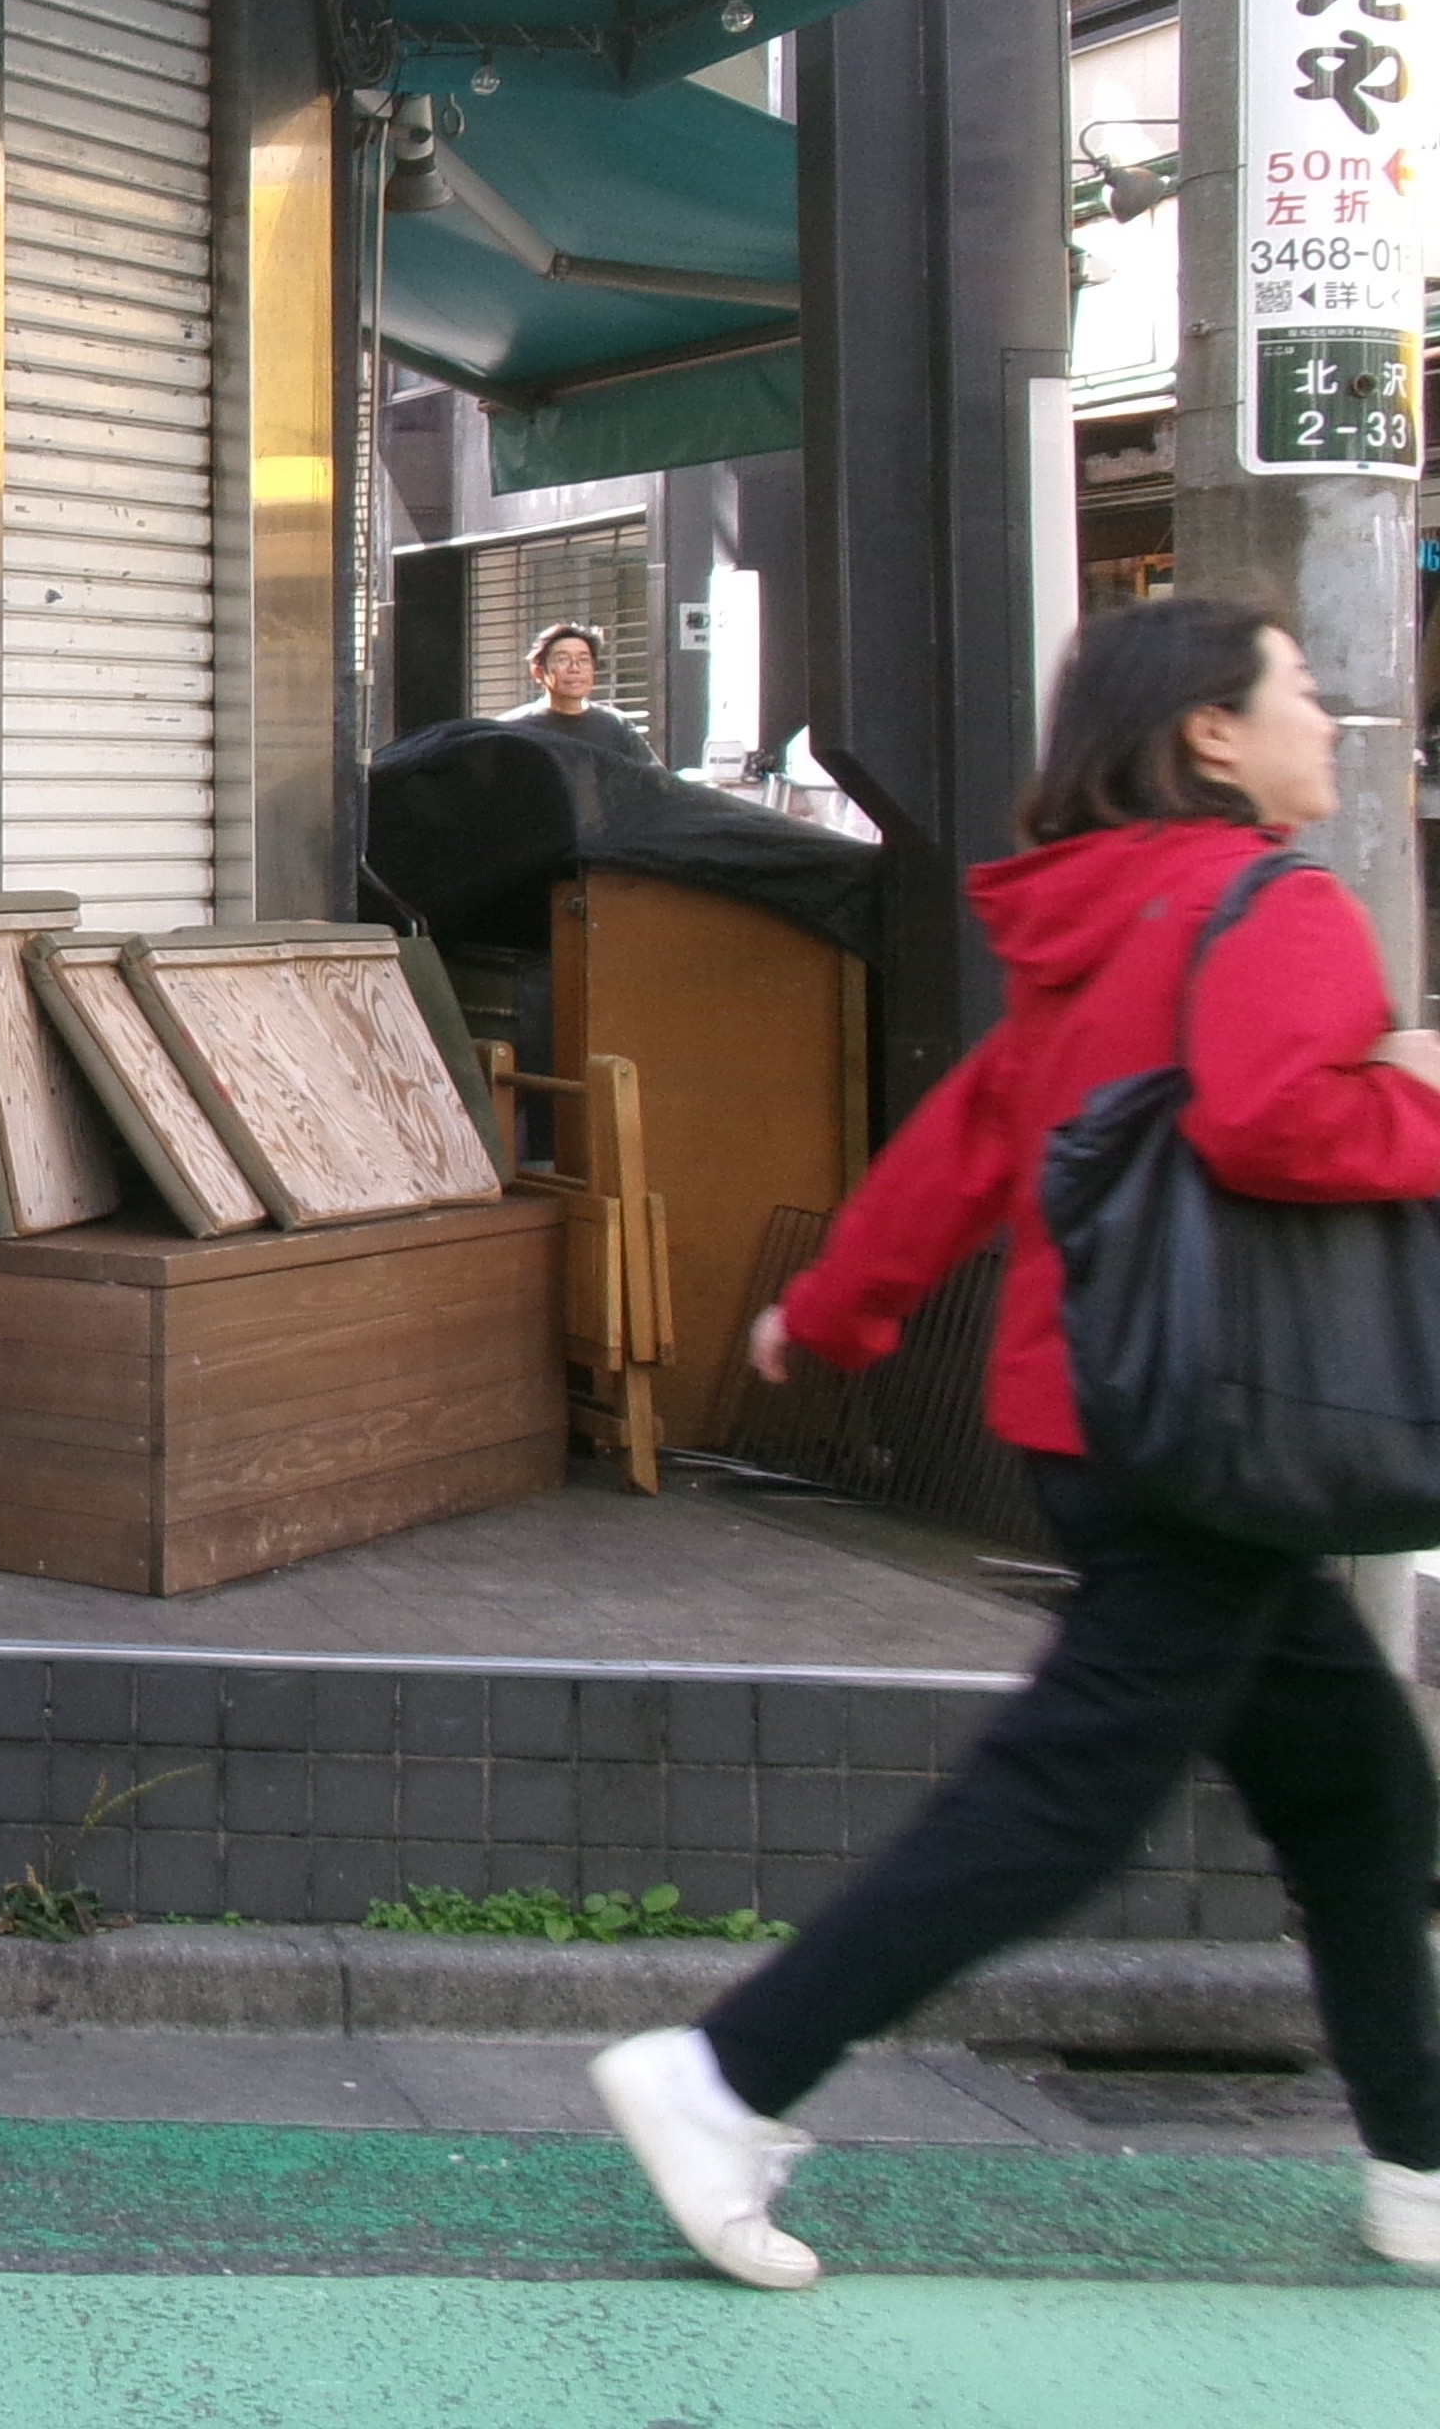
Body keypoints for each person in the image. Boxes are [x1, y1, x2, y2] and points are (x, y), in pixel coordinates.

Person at [591, 595, 1440, 2287]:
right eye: (1297, 695)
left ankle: (1417, 2156)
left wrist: (829, 1308)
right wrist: (1417, 1085)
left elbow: (977, 1130)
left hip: (1105, 1416)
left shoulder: (1098, 914)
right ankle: (722, 2073)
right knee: (1063, 1802)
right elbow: (1272, 1124)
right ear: (1207, 731)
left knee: (1356, 1790)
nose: (1324, 723)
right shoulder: (1271, 907)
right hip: (1215, 1431)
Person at [505, 618, 659, 764]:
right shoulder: (514, 728)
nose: (575, 668)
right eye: (562, 659)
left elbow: (654, 781)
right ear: (538, 671)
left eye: (583, 660)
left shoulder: (616, 726)